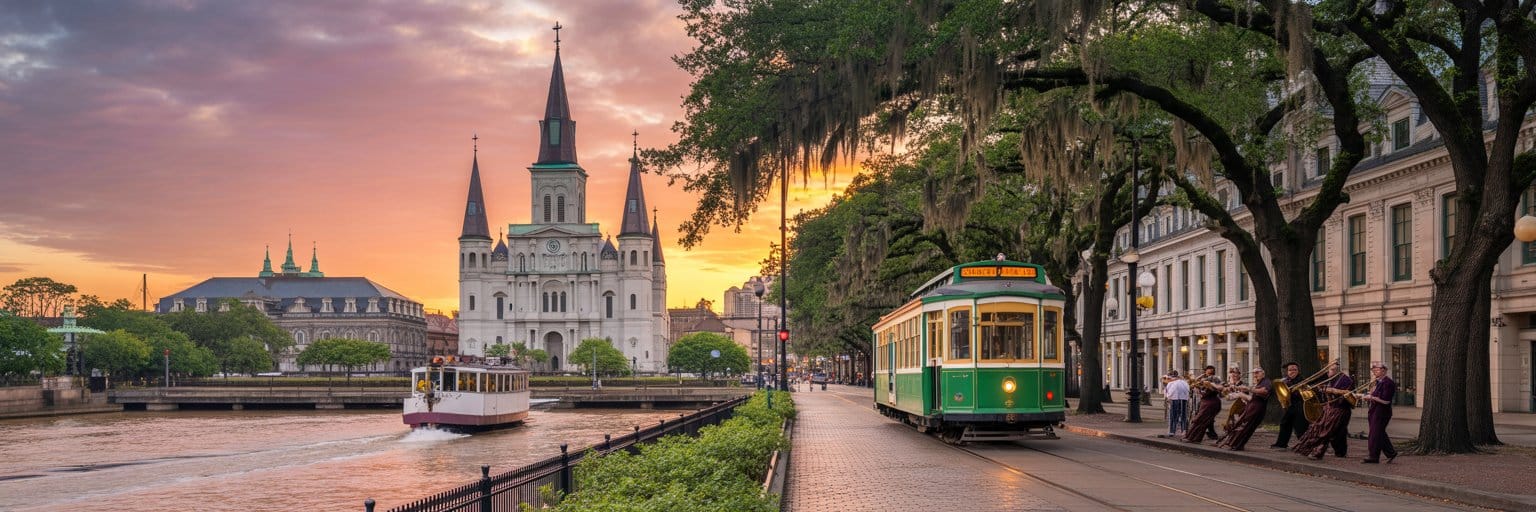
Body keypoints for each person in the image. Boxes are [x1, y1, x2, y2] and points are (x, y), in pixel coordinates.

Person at [1292, 362, 1354, 460]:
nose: (1326, 372)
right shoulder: (1331, 379)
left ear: (1334, 370)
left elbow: (1348, 394)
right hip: (1330, 408)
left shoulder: (1346, 380)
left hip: (1340, 410)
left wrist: (1330, 390)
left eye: (1328, 370)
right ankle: (1339, 452)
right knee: (1333, 432)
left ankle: (1318, 452)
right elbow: (1326, 394)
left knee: (1327, 431)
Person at [1217, 367, 1270, 451]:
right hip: (1250, 406)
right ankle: (1234, 444)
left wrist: (1245, 391)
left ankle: (1235, 444)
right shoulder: (1258, 383)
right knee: (1242, 426)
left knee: (1244, 426)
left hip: (1254, 408)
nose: (1255, 375)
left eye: (1257, 373)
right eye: (1254, 373)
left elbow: (1264, 391)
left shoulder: (1266, 381)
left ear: (1263, 373)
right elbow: (1251, 397)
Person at [1359, 362, 1398, 463]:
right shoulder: (1378, 382)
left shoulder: (1388, 383)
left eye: (1377, 370)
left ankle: (1373, 456)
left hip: (1382, 412)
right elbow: (1375, 396)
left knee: (1375, 434)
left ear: (1384, 370)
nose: (1374, 372)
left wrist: (1371, 397)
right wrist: (1368, 396)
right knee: (1379, 433)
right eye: (1373, 370)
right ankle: (1391, 452)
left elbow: (1386, 401)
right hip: (1374, 411)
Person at [1269, 361, 1311, 450]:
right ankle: (1281, 444)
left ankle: (1306, 445)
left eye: (1295, 370)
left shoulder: (1302, 380)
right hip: (1290, 406)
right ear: (1287, 371)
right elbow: (1279, 391)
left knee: (1300, 427)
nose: (1292, 372)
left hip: (1300, 406)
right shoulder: (1285, 380)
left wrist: (1292, 391)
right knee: (1284, 424)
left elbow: (1306, 394)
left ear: (1298, 371)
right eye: (1290, 370)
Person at [1183, 366, 1223, 444]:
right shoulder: (1204, 379)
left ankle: (1193, 438)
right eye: (1207, 372)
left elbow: (1218, 388)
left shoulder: (1214, 379)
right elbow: (1193, 383)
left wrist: (1206, 384)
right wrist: (1201, 377)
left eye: (1210, 372)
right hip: (1205, 403)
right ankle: (1192, 437)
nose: (1209, 374)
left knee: (1200, 420)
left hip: (1211, 403)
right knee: (1202, 421)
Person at [1162, 370, 1191, 436]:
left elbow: (1169, 391)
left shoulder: (1171, 383)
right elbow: (1188, 390)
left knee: (1173, 416)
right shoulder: (1184, 382)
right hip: (1184, 399)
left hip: (1174, 399)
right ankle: (1184, 430)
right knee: (1183, 415)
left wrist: (1167, 397)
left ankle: (1172, 431)